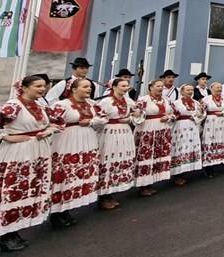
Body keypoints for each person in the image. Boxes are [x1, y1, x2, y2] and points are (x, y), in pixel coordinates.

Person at [0, 76, 61, 252]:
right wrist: (4, 136)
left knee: (27, 188)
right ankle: (6, 235)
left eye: (44, 86)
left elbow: (56, 122)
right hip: (17, 152)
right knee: (13, 188)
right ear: (24, 88)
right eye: (37, 86)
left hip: (37, 150)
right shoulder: (14, 105)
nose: (42, 89)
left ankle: (15, 230)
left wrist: (47, 131)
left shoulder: (40, 106)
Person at [47, 78, 106, 228]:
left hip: (87, 140)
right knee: (65, 173)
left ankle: (67, 208)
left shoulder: (92, 105)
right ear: (73, 89)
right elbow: (48, 121)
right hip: (67, 141)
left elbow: (103, 119)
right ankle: (56, 212)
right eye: (85, 87)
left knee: (78, 172)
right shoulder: (62, 105)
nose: (89, 89)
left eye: (89, 87)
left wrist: (91, 122)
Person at [95, 78, 140, 210]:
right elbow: (99, 117)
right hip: (110, 132)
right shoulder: (106, 101)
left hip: (124, 132)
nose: (126, 88)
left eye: (127, 86)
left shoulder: (128, 101)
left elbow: (138, 112)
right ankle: (103, 196)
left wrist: (131, 118)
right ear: (114, 87)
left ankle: (112, 192)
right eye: (123, 86)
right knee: (108, 160)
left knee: (120, 159)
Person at [133, 79, 175, 196]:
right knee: (147, 154)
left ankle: (150, 182)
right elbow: (136, 114)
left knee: (157, 154)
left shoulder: (166, 100)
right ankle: (142, 184)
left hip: (162, 130)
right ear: (151, 87)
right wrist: (138, 113)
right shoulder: (144, 100)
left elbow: (174, 113)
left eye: (162, 86)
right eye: (158, 86)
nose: (161, 88)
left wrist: (169, 117)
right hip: (148, 130)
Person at [199, 82, 224, 177]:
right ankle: (209, 167)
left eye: (220, 87)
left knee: (222, 141)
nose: (219, 89)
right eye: (217, 88)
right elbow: (201, 111)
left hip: (223, 122)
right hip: (211, 123)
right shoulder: (206, 99)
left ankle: (220, 163)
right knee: (210, 142)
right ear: (211, 89)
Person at [170, 84, 205, 185]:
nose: (190, 91)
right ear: (182, 92)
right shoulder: (176, 103)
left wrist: (197, 116)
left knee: (189, 147)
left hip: (192, 126)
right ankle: (177, 174)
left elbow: (202, 113)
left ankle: (186, 170)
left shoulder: (196, 103)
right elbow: (172, 114)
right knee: (180, 148)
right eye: (188, 90)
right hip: (180, 127)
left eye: (191, 90)